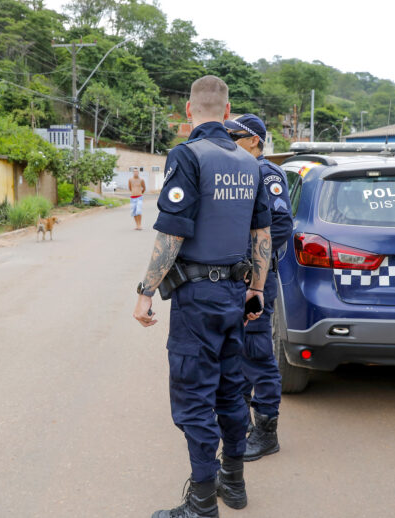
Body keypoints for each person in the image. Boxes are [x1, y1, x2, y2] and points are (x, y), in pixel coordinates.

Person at [133, 76, 272, 518]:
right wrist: (256, 291)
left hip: (198, 299)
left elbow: (172, 232)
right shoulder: (251, 163)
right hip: (237, 293)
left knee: (195, 395)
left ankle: (200, 504)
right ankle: (234, 484)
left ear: (189, 112)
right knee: (232, 391)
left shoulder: (187, 156)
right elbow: (262, 235)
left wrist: (145, 292)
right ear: (228, 112)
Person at [225, 114, 294, 462]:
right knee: (239, 353)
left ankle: (267, 433)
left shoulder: (266, 173)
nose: (228, 140)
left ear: (254, 140)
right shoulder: (240, 172)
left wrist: (254, 270)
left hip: (258, 278)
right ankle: (245, 424)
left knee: (257, 353)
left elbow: (280, 225)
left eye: (234, 135)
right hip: (239, 278)